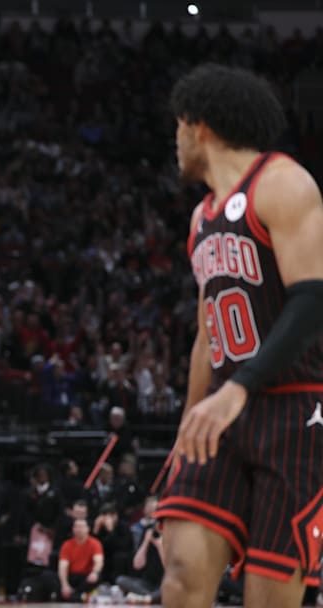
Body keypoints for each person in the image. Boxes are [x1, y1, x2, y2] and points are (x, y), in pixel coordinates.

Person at [156, 63, 323, 608]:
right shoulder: (201, 218)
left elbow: (312, 301)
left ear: (198, 126)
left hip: (297, 412)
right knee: (181, 573)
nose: (174, 142)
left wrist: (239, 388)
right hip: (222, 414)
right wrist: (188, 421)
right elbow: (209, 337)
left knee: (268, 598)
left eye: (177, 128)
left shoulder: (283, 182)